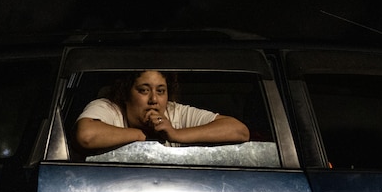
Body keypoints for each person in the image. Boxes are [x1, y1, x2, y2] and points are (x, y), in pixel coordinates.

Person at [75, 70, 250, 151]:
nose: (153, 100)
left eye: (160, 91)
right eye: (144, 90)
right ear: (126, 93)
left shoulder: (175, 112)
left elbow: (239, 131)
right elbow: (87, 135)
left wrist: (175, 134)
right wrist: (140, 135)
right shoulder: (109, 108)